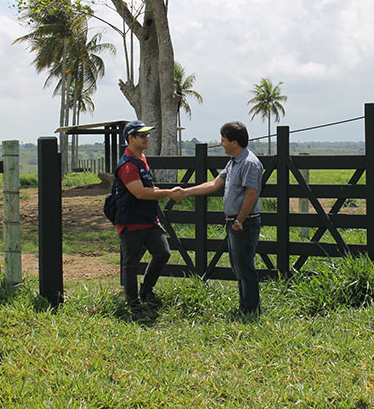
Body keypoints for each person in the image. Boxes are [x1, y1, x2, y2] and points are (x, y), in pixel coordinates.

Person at [179, 121, 263, 315]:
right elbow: (214, 184)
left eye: (223, 140)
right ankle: (246, 307)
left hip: (244, 222)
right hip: (236, 222)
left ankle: (250, 309)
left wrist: (240, 220)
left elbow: (251, 194)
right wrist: (186, 192)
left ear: (234, 142)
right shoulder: (233, 162)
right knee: (239, 266)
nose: (221, 143)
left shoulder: (250, 163)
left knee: (245, 266)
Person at [112, 119, 183, 304]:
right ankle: (132, 302)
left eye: (147, 135)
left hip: (148, 219)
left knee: (163, 253)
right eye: (142, 136)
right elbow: (140, 193)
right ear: (131, 138)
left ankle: (146, 290)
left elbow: (148, 188)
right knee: (131, 263)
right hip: (131, 222)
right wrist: (168, 193)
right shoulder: (128, 165)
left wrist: (160, 191)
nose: (146, 139)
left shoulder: (141, 160)